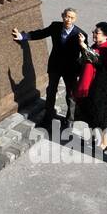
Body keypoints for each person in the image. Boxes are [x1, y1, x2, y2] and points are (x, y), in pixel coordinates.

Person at [12, 7, 86, 136]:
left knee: (70, 96)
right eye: (66, 16)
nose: (68, 19)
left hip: (70, 70)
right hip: (55, 66)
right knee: (51, 91)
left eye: (71, 17)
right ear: (62, 16)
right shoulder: (55, 26)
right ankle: (48, 117)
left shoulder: (81, 35)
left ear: (75, 19)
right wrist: (23, 36)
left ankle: (69, 121)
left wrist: (83, 46)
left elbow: (86, 55)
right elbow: (41, 33)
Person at [74, 21, 107, 154]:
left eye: (96, 32)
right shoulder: (95, 45)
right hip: (90, 85)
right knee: (90, 112)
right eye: (94, 31)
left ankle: (105, 143)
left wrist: (83, 45)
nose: (93, 33)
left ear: (106, 36)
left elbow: (95, 59)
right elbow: (86, 58)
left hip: (101, 88)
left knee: (102, 115)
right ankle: (93, 137)